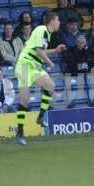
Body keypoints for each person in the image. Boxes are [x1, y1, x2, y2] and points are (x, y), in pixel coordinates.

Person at [15, 11, 66, 145]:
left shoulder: (45, 33)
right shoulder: (42, 29)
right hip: (25, 65)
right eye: (58, 20)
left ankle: (40, 116)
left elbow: (39, 50)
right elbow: (39, 51)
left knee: (50, 86)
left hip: (34, 66)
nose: (59, 23)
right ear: (52, 21)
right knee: (25, 100)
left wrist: (55, 50)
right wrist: (50, 63)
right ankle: (20, 132)